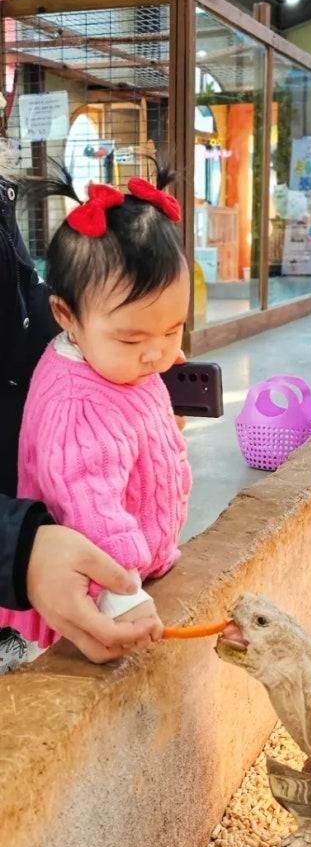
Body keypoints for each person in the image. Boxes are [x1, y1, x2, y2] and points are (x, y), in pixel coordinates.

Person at [0, 163, 191, 666]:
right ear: (67, 317)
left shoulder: (116, 361)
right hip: (92, 593)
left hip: (141, 565)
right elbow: (91, 509)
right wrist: (124, 593)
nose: (156, 354)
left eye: (173, 329)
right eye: (133, 337)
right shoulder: (78, 403)